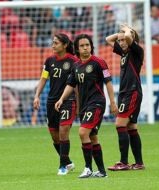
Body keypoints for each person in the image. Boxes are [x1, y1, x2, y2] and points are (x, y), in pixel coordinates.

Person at [55, 34, 118, 178]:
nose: (85, 48)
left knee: (83, 133)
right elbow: (71, 84)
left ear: (91, 46)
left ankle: (88, 168)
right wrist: (61, 99)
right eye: (82, 46)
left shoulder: (99, 62)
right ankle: (102, 171)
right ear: (77, 49)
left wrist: (113, 102)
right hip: (84, 105)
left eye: (87, 45)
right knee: (93, 137)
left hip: (96, 103)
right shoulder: (76, 66)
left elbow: (108, 82)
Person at [33, 33, 78, 175]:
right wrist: (37, 96)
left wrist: (79, 103)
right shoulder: (49, 61)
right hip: (51, 101)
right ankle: (68, 162)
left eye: (56, 43)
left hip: (68, 101)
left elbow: (76, 85)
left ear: (65, 45)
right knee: (54, 135)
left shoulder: (73, 61)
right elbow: (43, 79)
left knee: (64, 131)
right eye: (52, 42)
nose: (53, 45)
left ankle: (62, 166)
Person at [106, 24, 145, 170]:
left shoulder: (136, 51)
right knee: (131, 127)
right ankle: (139, 163)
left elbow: (129, 37)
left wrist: (128, 30)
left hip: (132, 92)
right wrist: (121, 33)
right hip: (125, 93)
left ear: (131, 39)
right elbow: (108, 39)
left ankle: (123, 162)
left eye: (123, 40)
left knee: (120, 124)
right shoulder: (124, 53)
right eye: (120, 40)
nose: (121, 42)